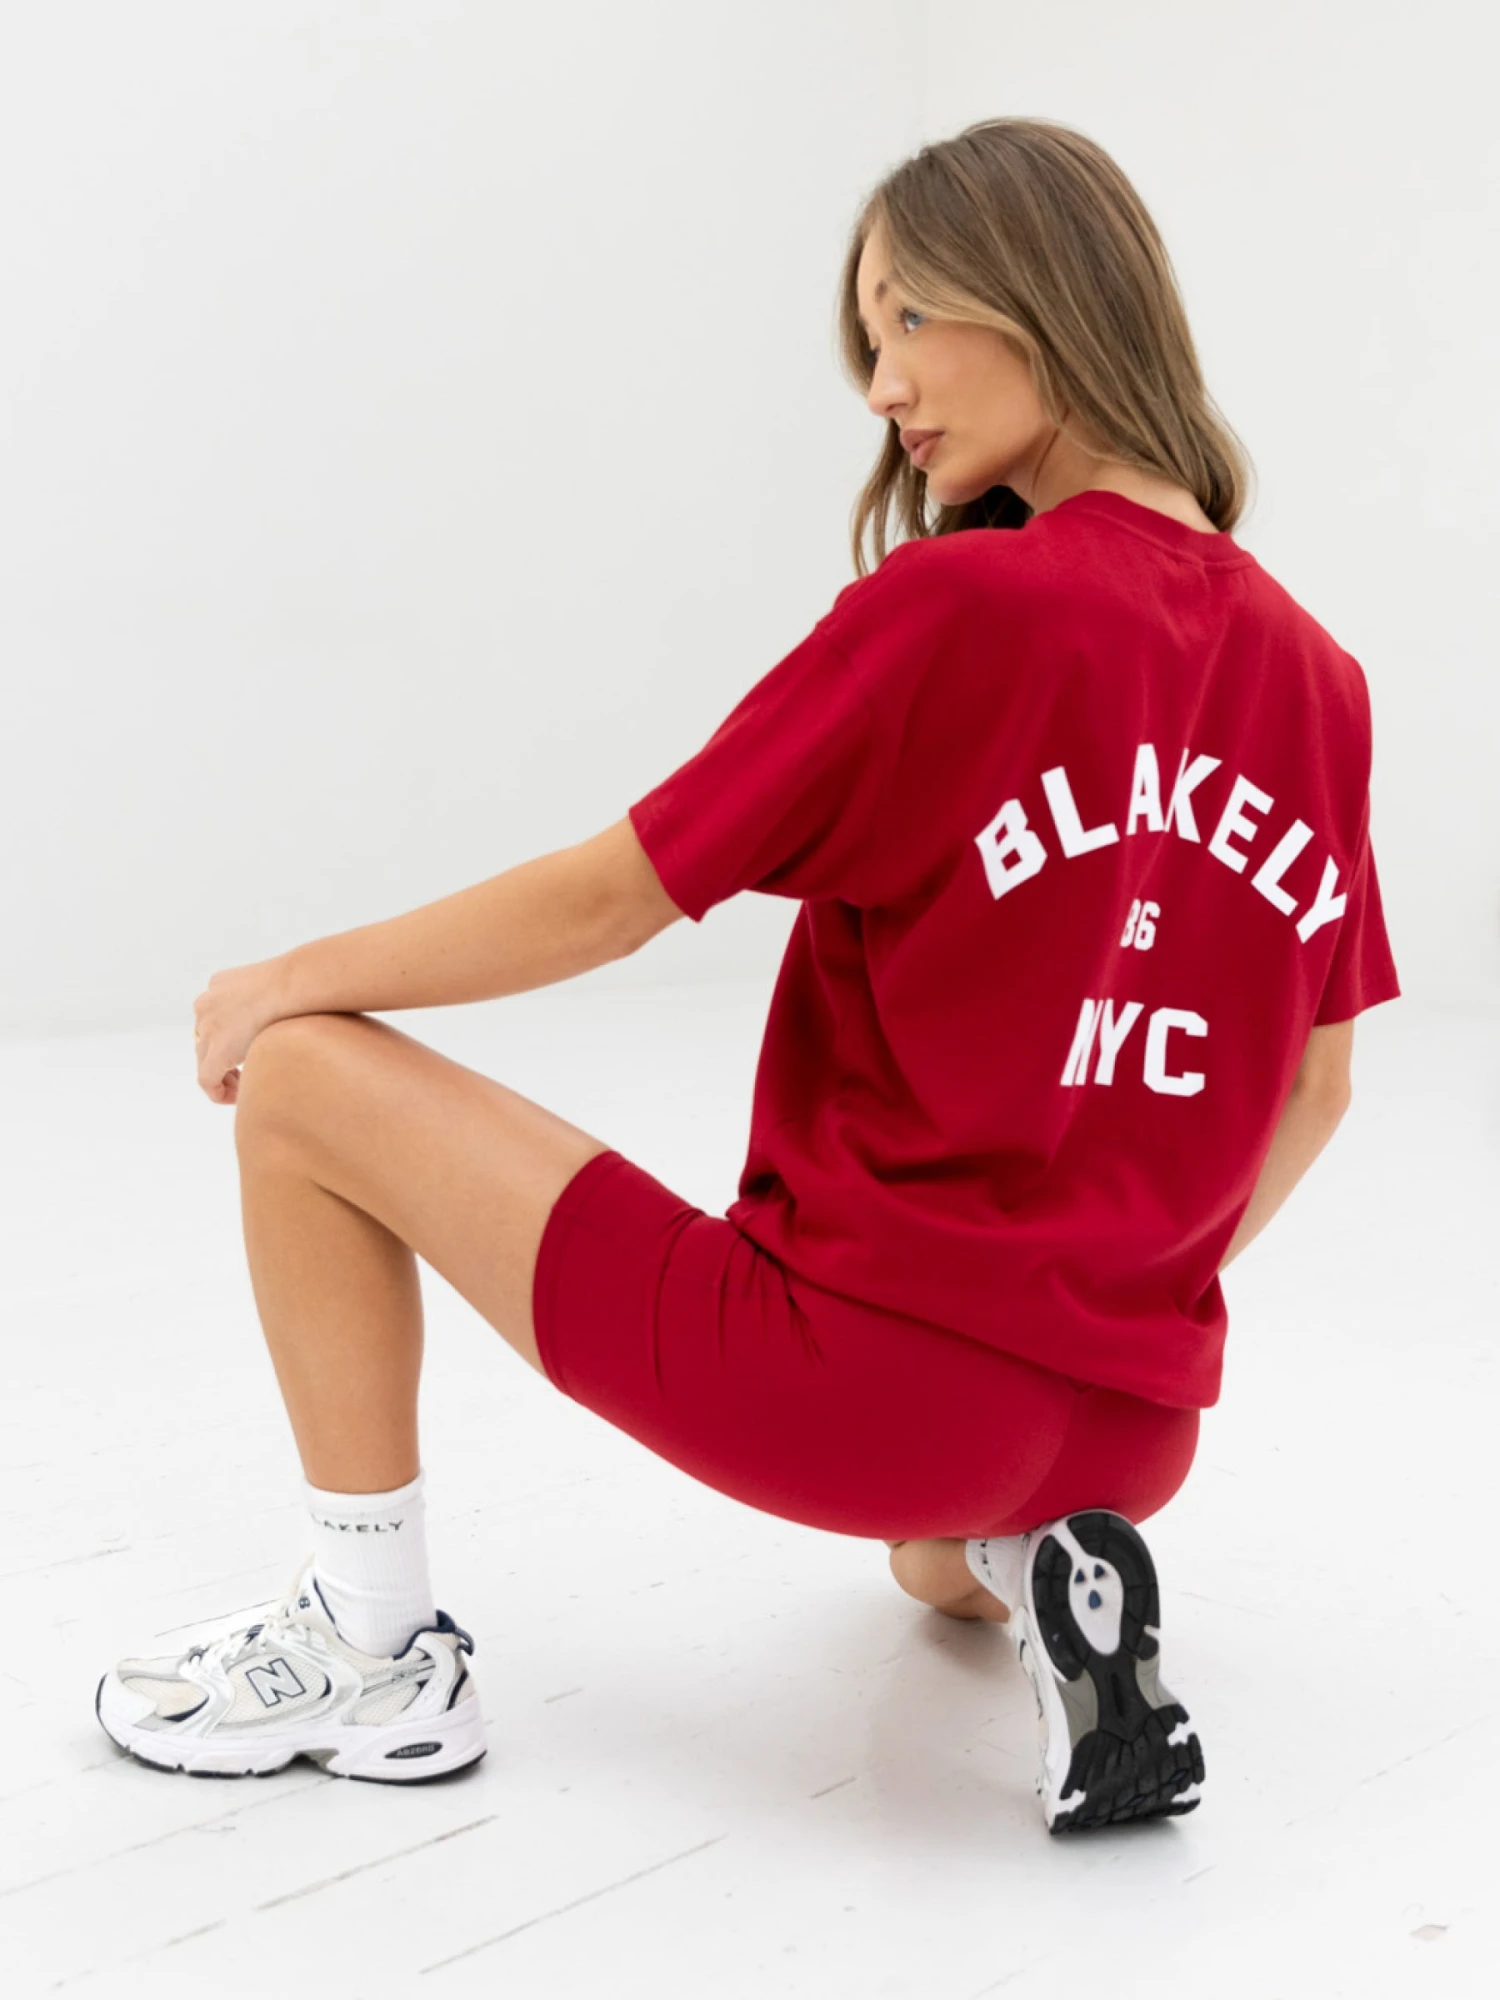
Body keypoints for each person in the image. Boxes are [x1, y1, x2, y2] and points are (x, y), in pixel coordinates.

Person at [95, 117, 1399, 1834]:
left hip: (858, 1382)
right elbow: (1317, 1083)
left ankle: (370, 1643)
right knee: (929, 1561)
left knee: (306, 1081)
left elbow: (612, 899)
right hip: (1133, 1431)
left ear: (1047, 294)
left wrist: (291, 978)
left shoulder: (959, 610)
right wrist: (1108, 1298)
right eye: (868, 339)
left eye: (909, 317)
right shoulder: (1322, 678)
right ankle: (1047, 1568)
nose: (882, 385)